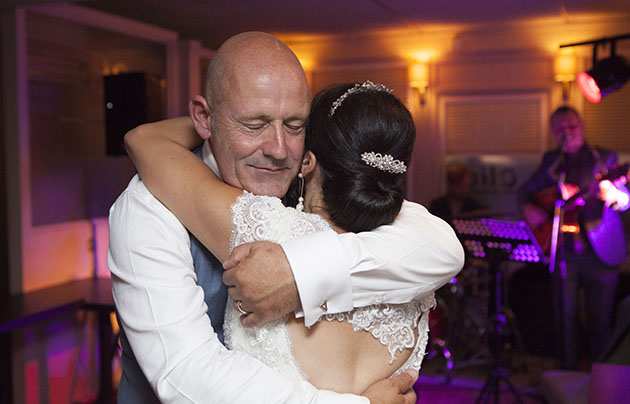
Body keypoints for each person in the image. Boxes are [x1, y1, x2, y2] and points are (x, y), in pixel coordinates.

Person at [108, 32, 464, 403]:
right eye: (254, 124)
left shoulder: (307, 185)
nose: (279, 150)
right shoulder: (146, 207)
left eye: (294, 125)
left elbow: (440, 244)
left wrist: (300, 272)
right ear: (203, 118)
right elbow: (186, 376)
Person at [518, 105, 629, 369]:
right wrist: (527, 208)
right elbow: (524, 192)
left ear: (581, 125)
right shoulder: (552, 160)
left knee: (599, 322)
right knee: (564, 321)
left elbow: (625, 199)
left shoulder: (604, 158)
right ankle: (564, 379)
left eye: (571, 125)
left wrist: (615, 196)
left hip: (600, 252)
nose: (566, 131)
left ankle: (600, 384)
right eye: (560, 128)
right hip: (563, 251)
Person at [429, 162, 489, 226]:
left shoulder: (476, 206)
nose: (464, 190)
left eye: (467, 186)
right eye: (460, 186)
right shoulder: (437, 206)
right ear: (450, 185)